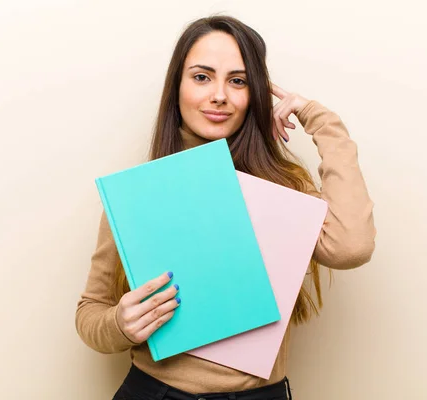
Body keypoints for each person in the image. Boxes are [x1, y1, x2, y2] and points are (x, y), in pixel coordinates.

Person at [75, 15, 376, 400]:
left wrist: (321, 120)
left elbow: (353, 246)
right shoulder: (138, 192)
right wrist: (120, 323)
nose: (220, 95)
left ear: (254, 94)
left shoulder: (283, 186)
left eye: (238, 81)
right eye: (202, 77)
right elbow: (91, 311)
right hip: (155, 392)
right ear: (177, 88)